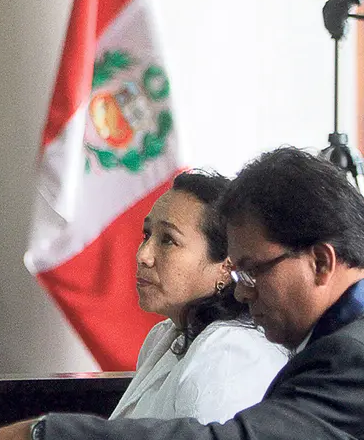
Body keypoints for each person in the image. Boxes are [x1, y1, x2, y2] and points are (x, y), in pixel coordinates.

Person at [0, 147, 364, 440]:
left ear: (320, 262)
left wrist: (50, 439)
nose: (243, 292)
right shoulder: (332, 344)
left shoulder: (349, 357)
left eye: (251, 271)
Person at [110, 170, 288, 423]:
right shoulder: (165, 335)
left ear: (227, 265)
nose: (143, 255)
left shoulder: (231, 354)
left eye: (168, 240)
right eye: (147, 235)